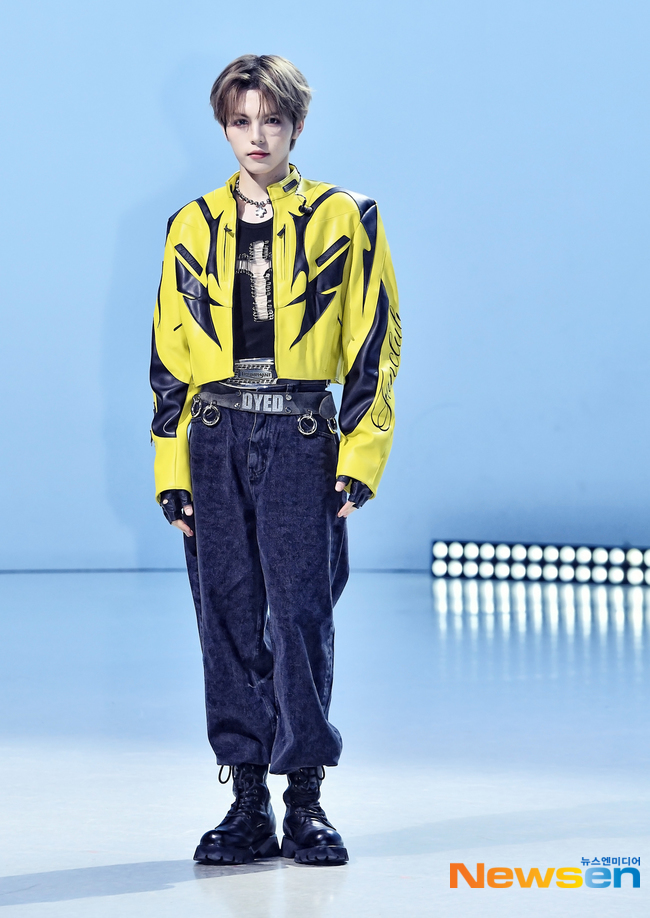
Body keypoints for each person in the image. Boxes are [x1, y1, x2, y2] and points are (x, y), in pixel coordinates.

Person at [150, 54, 400, 867]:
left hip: (300, 436)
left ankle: (306, 801)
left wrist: (360, 453)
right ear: (224, 127)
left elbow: (374, 341)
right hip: (213, 434)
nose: (256, 136)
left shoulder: (345, 216)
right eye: (241, 121)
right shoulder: (190, 225)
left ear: (296, 125)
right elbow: (167, 359)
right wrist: (172, 471)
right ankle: (247, 802)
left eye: (272, 120)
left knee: (300, 619)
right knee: (225, 620)